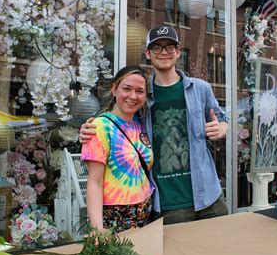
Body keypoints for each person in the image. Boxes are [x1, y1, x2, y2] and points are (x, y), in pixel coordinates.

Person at [80, 25, 228, 225]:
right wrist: (90, 129)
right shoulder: (141, 94)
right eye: (157, 47)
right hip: (169, 203)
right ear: (148, 53)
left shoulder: (200, 89)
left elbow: (222, 118)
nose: (164, 52)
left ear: (177, 52)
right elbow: (119, 123)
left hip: (209, 195)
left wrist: (222, 129)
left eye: (169, 47)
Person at [80, 65, 154, 233]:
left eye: (140, 91)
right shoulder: (100, 126)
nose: (133, 96)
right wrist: (98, 229)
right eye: (126, 89)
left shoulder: (139, 123)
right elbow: (94, 182)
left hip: (144, 214)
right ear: (114, 89)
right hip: (116, 218)